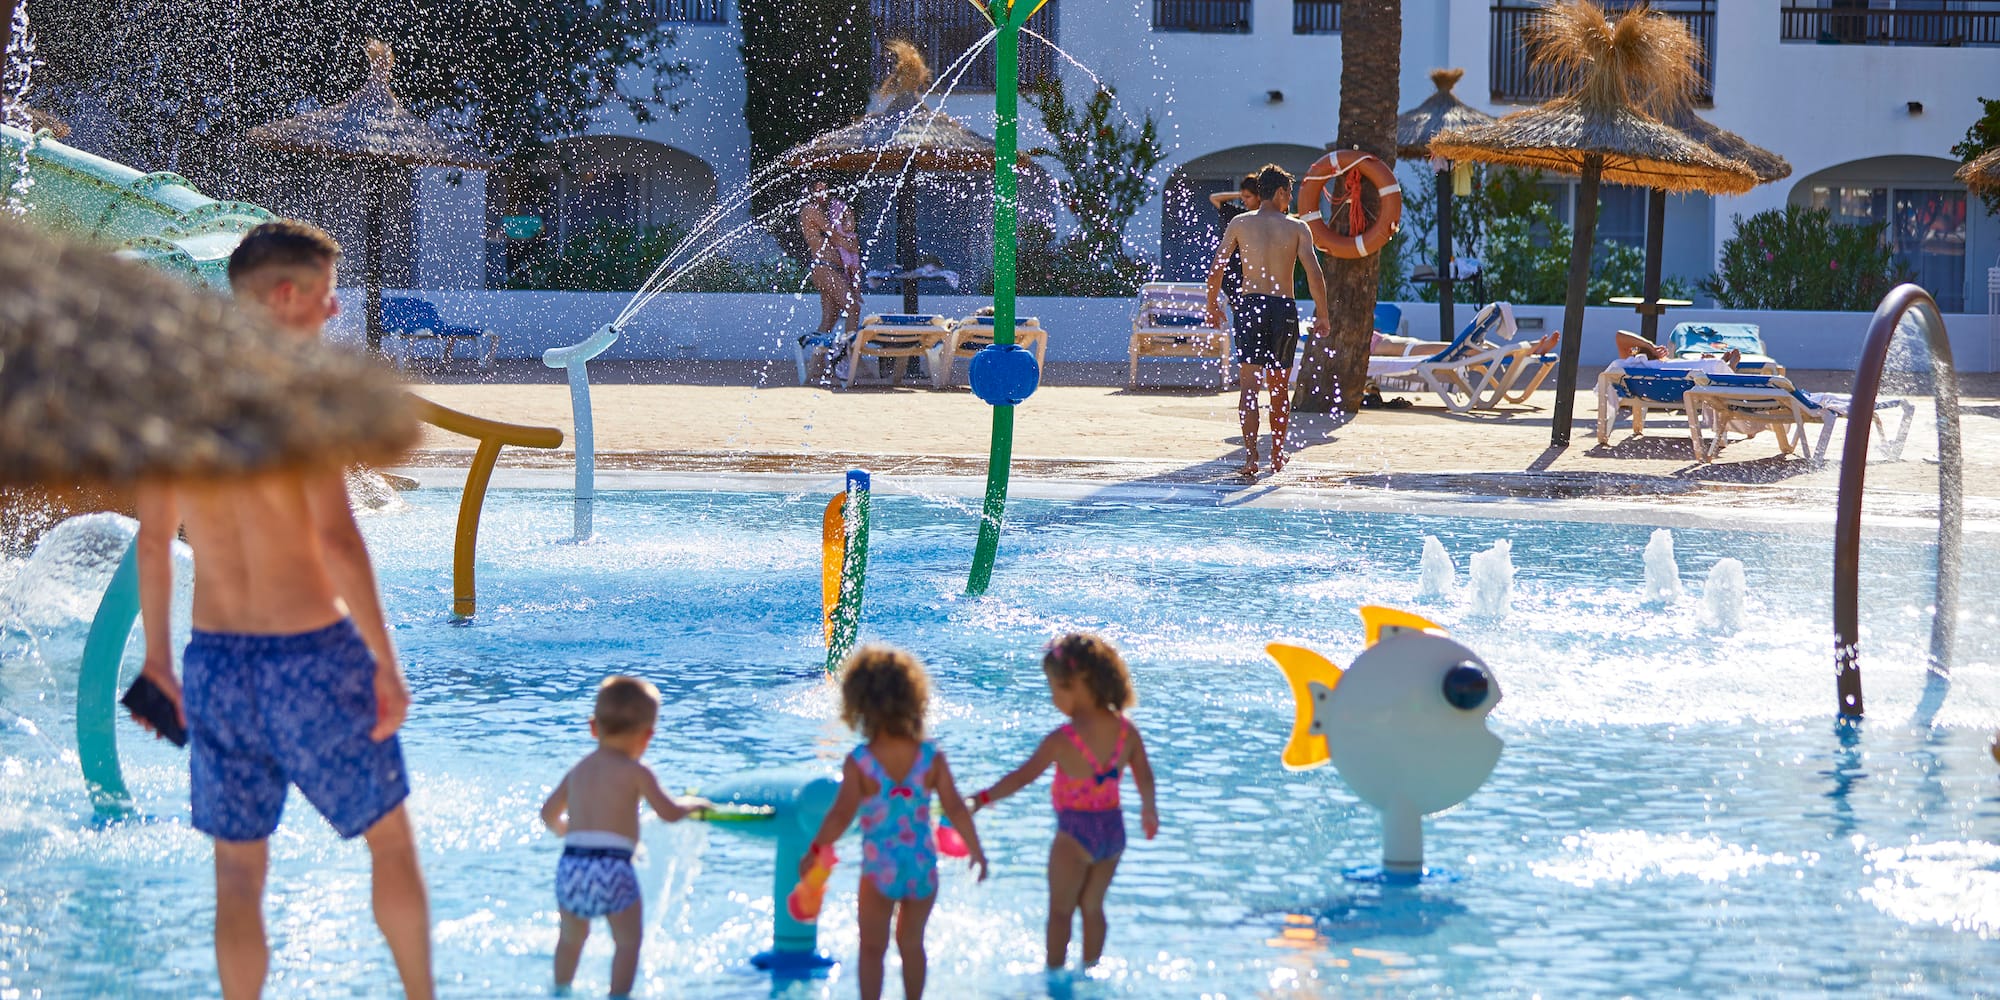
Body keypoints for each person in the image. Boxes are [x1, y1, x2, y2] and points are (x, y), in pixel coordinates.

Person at [130, 220, 434, 1000]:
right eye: (329, 298)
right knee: (391, 844)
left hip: (216, 664)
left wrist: (160, 664)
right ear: (289, 296)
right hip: (309, 652)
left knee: (236, 872)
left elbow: (157, 545)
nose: (335, 315)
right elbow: (335, 540)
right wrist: (386, 663)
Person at [802, 645, 988, 1000]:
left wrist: (816, 848)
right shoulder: (930, 757)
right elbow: (956, 809)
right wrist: (976, 851)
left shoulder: (862, 762)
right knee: (912, 945)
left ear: (859, 705)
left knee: (873, 948)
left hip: (880, 869)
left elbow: (841, 816)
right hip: (921, 867)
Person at [969, 633, 1159, 973]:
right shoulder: (1126, 731)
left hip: (1074, 834)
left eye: (1056, 689)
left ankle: (1055, 978)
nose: (1054, 698)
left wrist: (983, 797)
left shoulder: (1063, 739)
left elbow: (1021, 777)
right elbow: (1145, 776)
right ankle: (1091, 968)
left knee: (1060, 912)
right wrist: (1148, 810)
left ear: (1079, 685)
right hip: (1113, 832)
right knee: (1093, 907)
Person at [540, 676, 708, 999]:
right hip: (614, 868)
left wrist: (565, 831)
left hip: (573, 866)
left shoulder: (579, 771)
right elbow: (669, 812)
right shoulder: (637, 772)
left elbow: (548, 813)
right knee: (627, 942)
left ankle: (560, 990)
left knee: (571, 938)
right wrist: (694, 804)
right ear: (647, 737)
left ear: (593, 727)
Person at [1206, 164, 1331, 478]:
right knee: (1278, 389)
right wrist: (1323, 315)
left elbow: (1217, 267)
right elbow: (1314, 273)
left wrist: (1212, 305)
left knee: (1249, 388)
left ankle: (1251, 457)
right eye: (1289, 193)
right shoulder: (1296, 227)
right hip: (1282, 308)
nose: (1291, 199)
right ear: (1279, 193)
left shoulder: (1239, 223)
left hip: (1250, 306)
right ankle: (1276, 454)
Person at [801, 182, 863, 348]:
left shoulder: (825, 211)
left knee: (829, 321)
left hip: (828, 268)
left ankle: (816, 369)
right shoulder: (811, 210)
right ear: (810, 192)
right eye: (819, 190)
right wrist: (853, 245)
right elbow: (833, 235)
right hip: (825, 268)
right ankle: (848, 356)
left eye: (826, 190)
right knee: (853, 308)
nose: (824, 194)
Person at [1208, 173, 1261, 322]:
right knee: (1241, 315)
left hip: (1253, 273)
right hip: (1233, 272)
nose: (1244, 200)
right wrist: (1240, 194)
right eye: (1243, 197)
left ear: (1259, 196)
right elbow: (1214, 198)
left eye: (1248, 196)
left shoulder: (1266, 218)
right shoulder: (1237, 215)